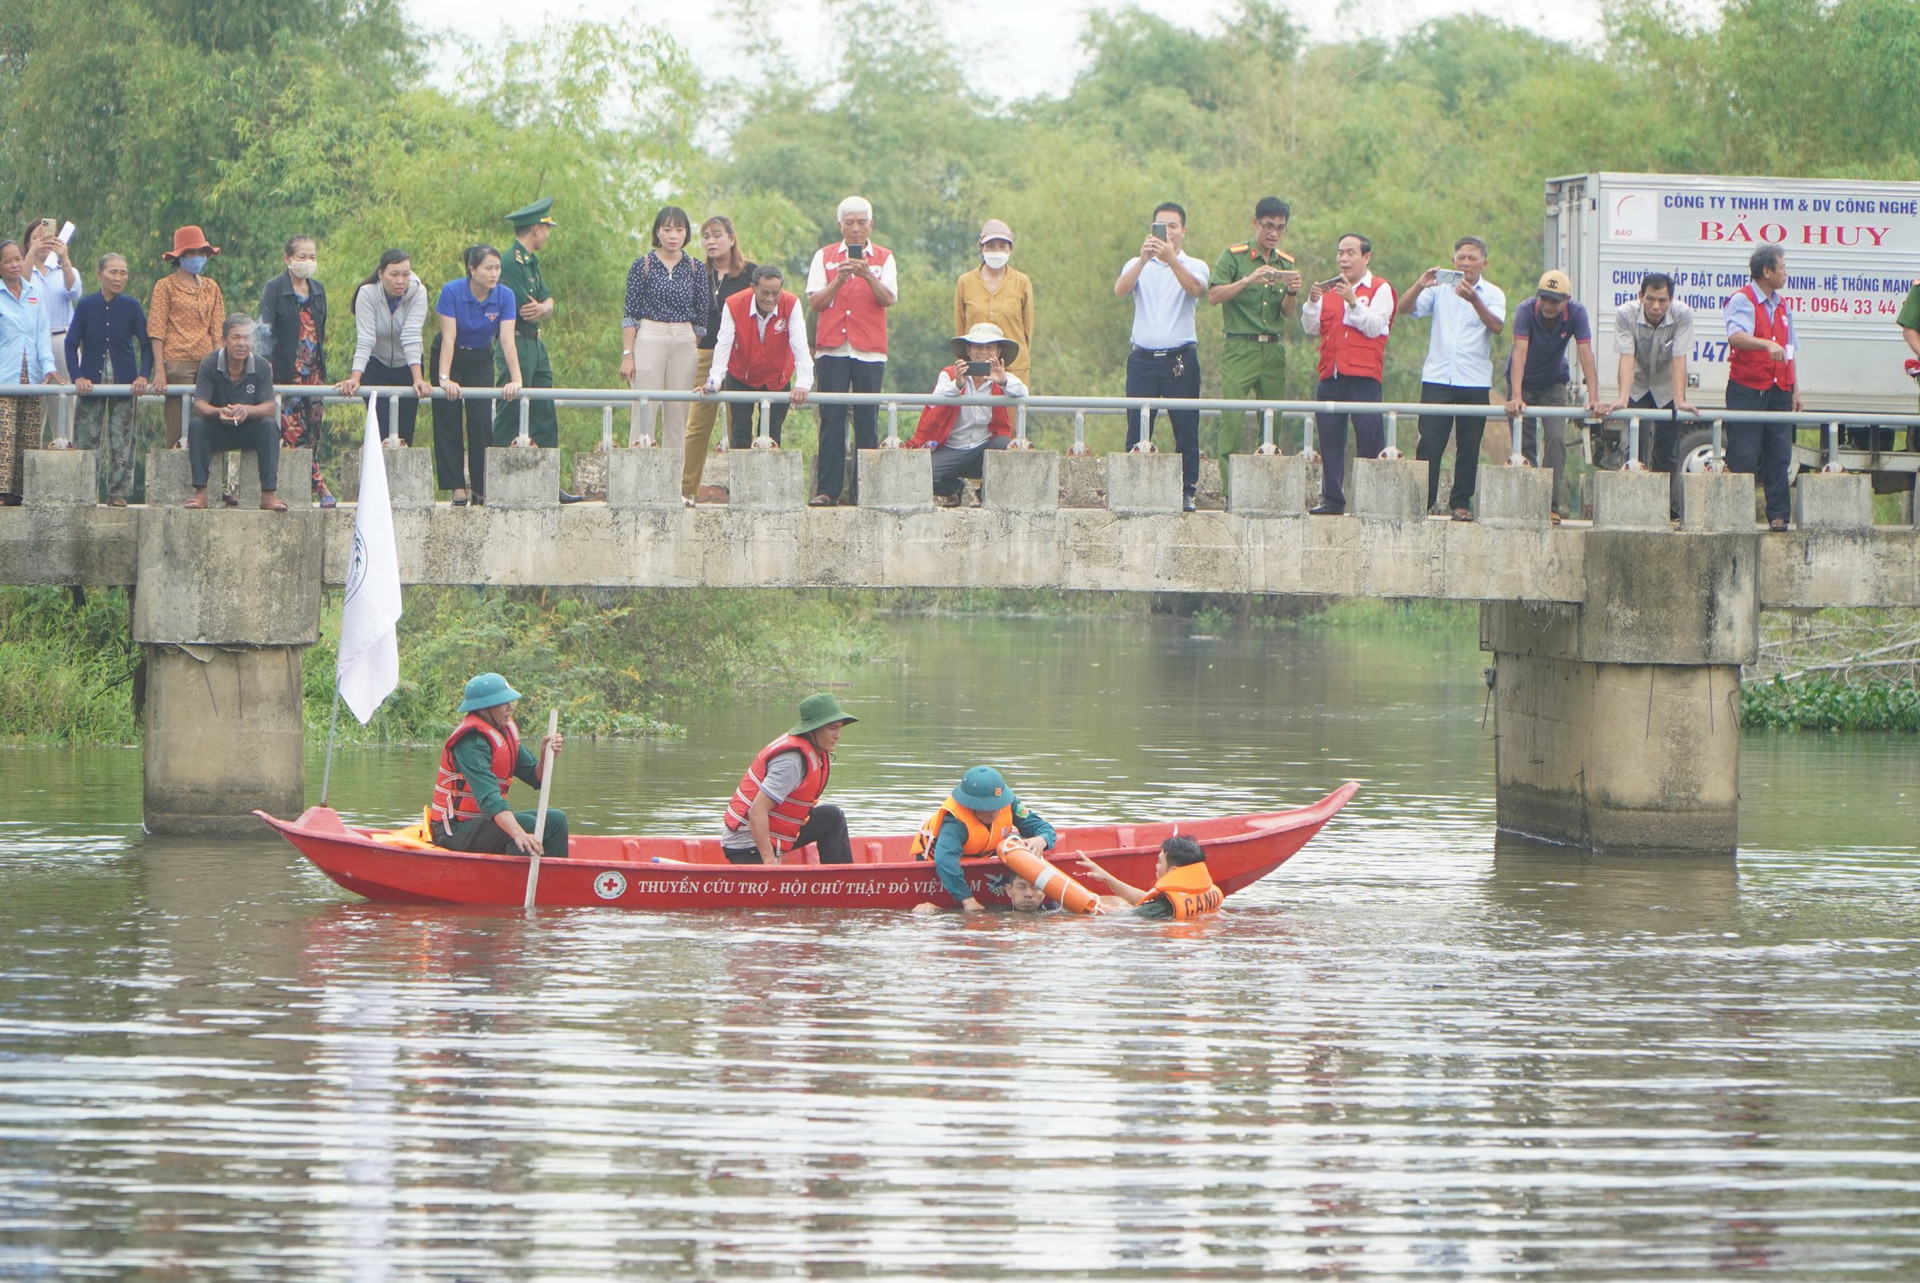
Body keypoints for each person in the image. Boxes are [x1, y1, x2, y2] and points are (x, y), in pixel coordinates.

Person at [1401, 236, 1506, 520]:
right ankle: (1422, 500)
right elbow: (1405, 308)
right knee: (1430, 442)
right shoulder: (1439, 290)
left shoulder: (1493, 293)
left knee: (1469, 445)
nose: (1466, 262)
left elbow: (1496, 326)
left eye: (1472, 258)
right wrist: (1419, 284)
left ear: (1484, 262)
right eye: (1461, 257)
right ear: (1453, 261)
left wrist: (1475, 300)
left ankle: (1460, 503)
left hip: (1474, 380)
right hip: (1438, 377)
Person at [1115, 201, 1210, 511]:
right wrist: (1144, 261)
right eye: (1161, 226)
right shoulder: (1137, 263)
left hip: (1180, 360)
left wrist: (1172, 261)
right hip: (1142, 359)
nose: (1167, 232)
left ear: (1183, 231)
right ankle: (1132, 488)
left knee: (1185, 426)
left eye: (1173, 226)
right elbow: (1120, 289)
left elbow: (1197, 290)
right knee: (1137, 426)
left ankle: (1187, 489)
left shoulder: (1194, 264)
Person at [805, 196, 897, 506]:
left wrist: (868, 274)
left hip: (869, 349)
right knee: (831, 417)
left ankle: (865, 489)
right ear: (840, 226)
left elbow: (888, 299)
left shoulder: (884, 258)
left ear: (871, 225)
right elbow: (815, 302)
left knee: (866, 418)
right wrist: (839, 280)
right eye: (849, 223)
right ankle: (827, 489)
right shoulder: (825, 256)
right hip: (832, 348)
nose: (855, 229)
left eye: (861, 222)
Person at [1302, 233, 1395, 515]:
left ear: (1366, 257)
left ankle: (1371, 502)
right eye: (1340, 252)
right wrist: (1312, 303)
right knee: (1330, 440)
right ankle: (1332, 499)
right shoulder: (1330, 291)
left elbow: (1375, 326)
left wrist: (1353, 302)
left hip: (1364, 376)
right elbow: (1310, 327)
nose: (1343, 258)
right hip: (1330, 375)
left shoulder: (1380, 289)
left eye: (1350, 253)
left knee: (1369, 439)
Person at [430, 672, 568, 859]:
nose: (510, 708)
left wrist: (546, 755)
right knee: (526, 824)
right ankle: (512, 883)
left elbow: (536, 777)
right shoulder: (471, 743)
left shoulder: (503, 733)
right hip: (453, 831)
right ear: (484, 709)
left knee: (556, 820)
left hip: (484, 823)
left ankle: (553, 879)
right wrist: (518, 833)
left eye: (509, 702)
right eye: (503, 703)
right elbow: (489, 799)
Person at [1503, 270, 1600, 524]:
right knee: (1524, 445)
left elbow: (1585, 352)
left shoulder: (1577, 313)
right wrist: (1515, 396)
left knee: (1556, 439)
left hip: (1553, 382)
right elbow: (1519, 353)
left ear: (1566, 300)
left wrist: (1594, 397)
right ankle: (1526, 503)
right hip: (1521, 380)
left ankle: (1551, 505)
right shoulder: (1525, 311)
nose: (1547, 305)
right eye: (1543, 298)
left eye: (1554, 301)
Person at [1209, 196, 1301, 458]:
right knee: (1233, 421)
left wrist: (1292, 293)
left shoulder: (1285, 262)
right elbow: (1214, 296)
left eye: (1280, 228)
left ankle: (1268, 489)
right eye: (1268, 226)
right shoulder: (1234, 257)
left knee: (1272, 421)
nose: (1274, 233)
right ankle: (1228, 491)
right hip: (1240, 346)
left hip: (1272, 348)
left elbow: (1285, 312)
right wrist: (1248, 280)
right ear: (1256, 223)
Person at [432, 245, 523, 506]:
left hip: (480, 357)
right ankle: (456, 487)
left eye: (497, 268)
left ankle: (481, 488)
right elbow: (448, 338)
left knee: (481, 422)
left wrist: (516, 380)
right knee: (448, 421)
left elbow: (506, 341)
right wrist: (444, 378)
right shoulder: (452, 291)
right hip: (450, 355)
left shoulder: (504, 296)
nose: (494, 273)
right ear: (472, 270)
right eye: (488, 268)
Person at [721, 693, 856, 865]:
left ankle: (842, 883)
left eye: (839, 728)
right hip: (746, 845)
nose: (838, 735)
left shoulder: (815, 752)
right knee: (831, 816)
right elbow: (757, 811)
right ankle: (843, 885)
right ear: (813, 729)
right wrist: (770, 862)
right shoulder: (791, 762)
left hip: (771, 834)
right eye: (832, 728)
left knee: (831, 817)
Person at [904, 323, 1027, 506]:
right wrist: (958, 385)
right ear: (968, 350)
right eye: (977, 346)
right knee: (918, 473)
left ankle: (985, 494)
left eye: (989, 347)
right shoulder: (950, 375)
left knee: (1004, 445)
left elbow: (1023, 394)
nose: (983, 352)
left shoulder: (1003, 378)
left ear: (998, 352)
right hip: (951, 448)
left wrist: (1002, 381)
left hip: (982, 450)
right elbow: (934, 401)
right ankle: (953, 488)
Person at [1723, 243, 1801, 532]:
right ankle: (1737, 516)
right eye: (1782, 267)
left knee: (1779, 454)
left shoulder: (1782, 305)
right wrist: (1765, 343)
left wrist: (1794, 388)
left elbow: (1790, 349)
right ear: (1766, 271)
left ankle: (1778, 515)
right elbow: (1736, 336)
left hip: (1779, 389)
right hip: (1747, 387)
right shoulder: (1742, 300)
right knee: (1743, 454)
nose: (1785, 273)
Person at [908, 766, 1058, 913]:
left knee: (1019, 841)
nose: (994, 812)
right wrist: (967, 899)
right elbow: (945, 860)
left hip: (983, 855)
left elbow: (1042, 827)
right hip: (939, 863)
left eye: (997, 805)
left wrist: (1042, 839)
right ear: (970, 804)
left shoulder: (1009, 804)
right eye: (987, 806)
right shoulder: (954, 823)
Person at [621, 206, 705, 468]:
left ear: (686, 233)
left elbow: (701, 317)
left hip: (683, 336)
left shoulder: (695, 267)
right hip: (650, 333)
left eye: (679, 229)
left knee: (678, 412)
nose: (673, 235)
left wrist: (689, 339)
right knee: (645, 405)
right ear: (657, 232)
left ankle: (672, 479)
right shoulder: (643, 264)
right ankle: (638, 473)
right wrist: (628, 354)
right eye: (667, 229)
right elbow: (630, 313)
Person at [66, 253, 152, 505]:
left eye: (123, 272)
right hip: (91, 383)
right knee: (85, 438)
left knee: (122, 440)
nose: (118, 277)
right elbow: (71, 344)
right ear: (99, 274)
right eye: (113, 272)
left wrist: (143, 376)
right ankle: (83, 491)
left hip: (124, 383)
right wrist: (77, 376)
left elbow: (147, 345)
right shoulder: (86, 305)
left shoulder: (131, 306)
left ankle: (118, 492)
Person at [259, 236, 335, 507]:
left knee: (313, 432)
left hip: (314, 372)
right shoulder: (275, 288)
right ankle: (320, 487)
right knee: (292, 432)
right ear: (288, 259)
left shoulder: (317, 289)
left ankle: (309, 483)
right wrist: (265, 365)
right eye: (301, 256)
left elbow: (321, 327)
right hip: (285, 372)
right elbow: (264, 328)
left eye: (311, 256)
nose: (307, 262)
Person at [701, 264, 812, 449]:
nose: (770, 299)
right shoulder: (734, 304)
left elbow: (800, 344)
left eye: (775, 293)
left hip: (778, 376)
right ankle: (740, 477)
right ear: (753, 288)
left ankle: (769, 477)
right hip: (741, 375)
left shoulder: (791, 303)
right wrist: (715, 378)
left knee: (771, 434)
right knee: (740, 431)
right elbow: (724, 343)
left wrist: (803, 383)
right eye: (765, 293)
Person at [684, 216, 757, 501]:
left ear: (732, 238)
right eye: (706, 237)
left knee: (738, 423)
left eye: (717, 235)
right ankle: (686, 491)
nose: (711, 241)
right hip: (703, 353)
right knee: (697, 425)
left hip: (738, 356)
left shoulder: (750, 274)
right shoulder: (696, 273)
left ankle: (744, 493)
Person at [1603, 272, 1697, 486]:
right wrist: (1622, 397)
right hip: (1637, 384)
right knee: (1635, 446)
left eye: (1662, 300)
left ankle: (1666, 508)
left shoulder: (1682, 314)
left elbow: (1679, 359)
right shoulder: (1625, 314)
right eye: (1650, 299)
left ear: (1671, 300)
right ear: (1640, 296)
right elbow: (1627, 357)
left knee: (1667, 450)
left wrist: (1680, 400)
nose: (1656, 306)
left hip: (1666, 386)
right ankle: (1634, 499)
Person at [184, 314, 282, 511]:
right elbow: (199, 404)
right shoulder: (210, 363)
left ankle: (269, 495)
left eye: (247, 338)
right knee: (196, 424)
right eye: (236, 337)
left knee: (270, 425)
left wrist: (248, 410)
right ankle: (201, 493)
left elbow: (270, 406)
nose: (241, 343)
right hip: (219, 428)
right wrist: (219, 412)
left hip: (248, 430)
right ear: (224, 340)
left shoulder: (261, 366)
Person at [492, 200, 565, 463]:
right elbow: (524, 309)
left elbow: (547, 302)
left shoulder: (531, 262)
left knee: (543, 410)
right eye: (546, 228)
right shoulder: (510, 263)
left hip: (535, 343)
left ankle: (549, 480)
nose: (547, 234)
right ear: (537, 229)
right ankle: (497, 476)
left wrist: (545, 308)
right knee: (511, 410)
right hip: (516, 341)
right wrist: (542, 308)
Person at [337, 249, 432, 446]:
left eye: (406, 274)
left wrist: (418, 379)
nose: (400, 281)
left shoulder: (418, 292)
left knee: (404, 436)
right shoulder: (368, 293)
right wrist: (355, 378)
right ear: (381, 274)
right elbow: (365, 339)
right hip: (376, 362)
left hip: (407, 364)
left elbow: (412, 335)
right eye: (394, 274)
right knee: (379, 431)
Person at [147, 226, 226, 449]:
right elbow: (156, 329)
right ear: (179, 256)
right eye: (191, 253)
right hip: (177, 361)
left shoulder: (211, 287)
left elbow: (217, 330)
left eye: (201, 253)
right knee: (177, 425)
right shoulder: (166, 286)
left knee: (208, 418)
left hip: (208, 361)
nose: (197, 258)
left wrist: (221, 364)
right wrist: (160, 370)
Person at [0, 239, 63, 505]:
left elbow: (41, 336)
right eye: (8, 261)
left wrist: (49, 368)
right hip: (5, 376)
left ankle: (21, 492)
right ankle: (2, 492)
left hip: (32, 375)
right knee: (5, 434)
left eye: (18, 259)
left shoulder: (33, 293)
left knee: (28, 434)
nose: (15, 265)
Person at [953, 219, 1033, 387]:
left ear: (1010, 249)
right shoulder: (965, 282)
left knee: (1010, 413)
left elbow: (1027, 331)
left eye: (1002, 246)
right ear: (981, 247)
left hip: (1013, 370)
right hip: (976, 370)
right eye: (990, 246)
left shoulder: (1022, 282)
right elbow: (961, 328)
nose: (996, 251)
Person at [1078, 834, 1222, 919]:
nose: (1156, 867)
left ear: (1173, 870)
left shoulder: (1158, 908)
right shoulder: (1199, 892)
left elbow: (1127, 917)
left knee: (1117, 903)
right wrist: (1106, 877)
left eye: (1159, 862)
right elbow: (1144, 897)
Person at [24, 220, 80, 380]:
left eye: (47, 237)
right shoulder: (24, 271)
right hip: (32, 341)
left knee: (65, 394)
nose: (43, 242)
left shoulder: (67, 270)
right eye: (36, 238)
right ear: (28, 243)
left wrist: (64, 259)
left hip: (61, 339)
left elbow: (74, 292)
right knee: (33, 397)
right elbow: (20, 289)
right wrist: (32, 253)